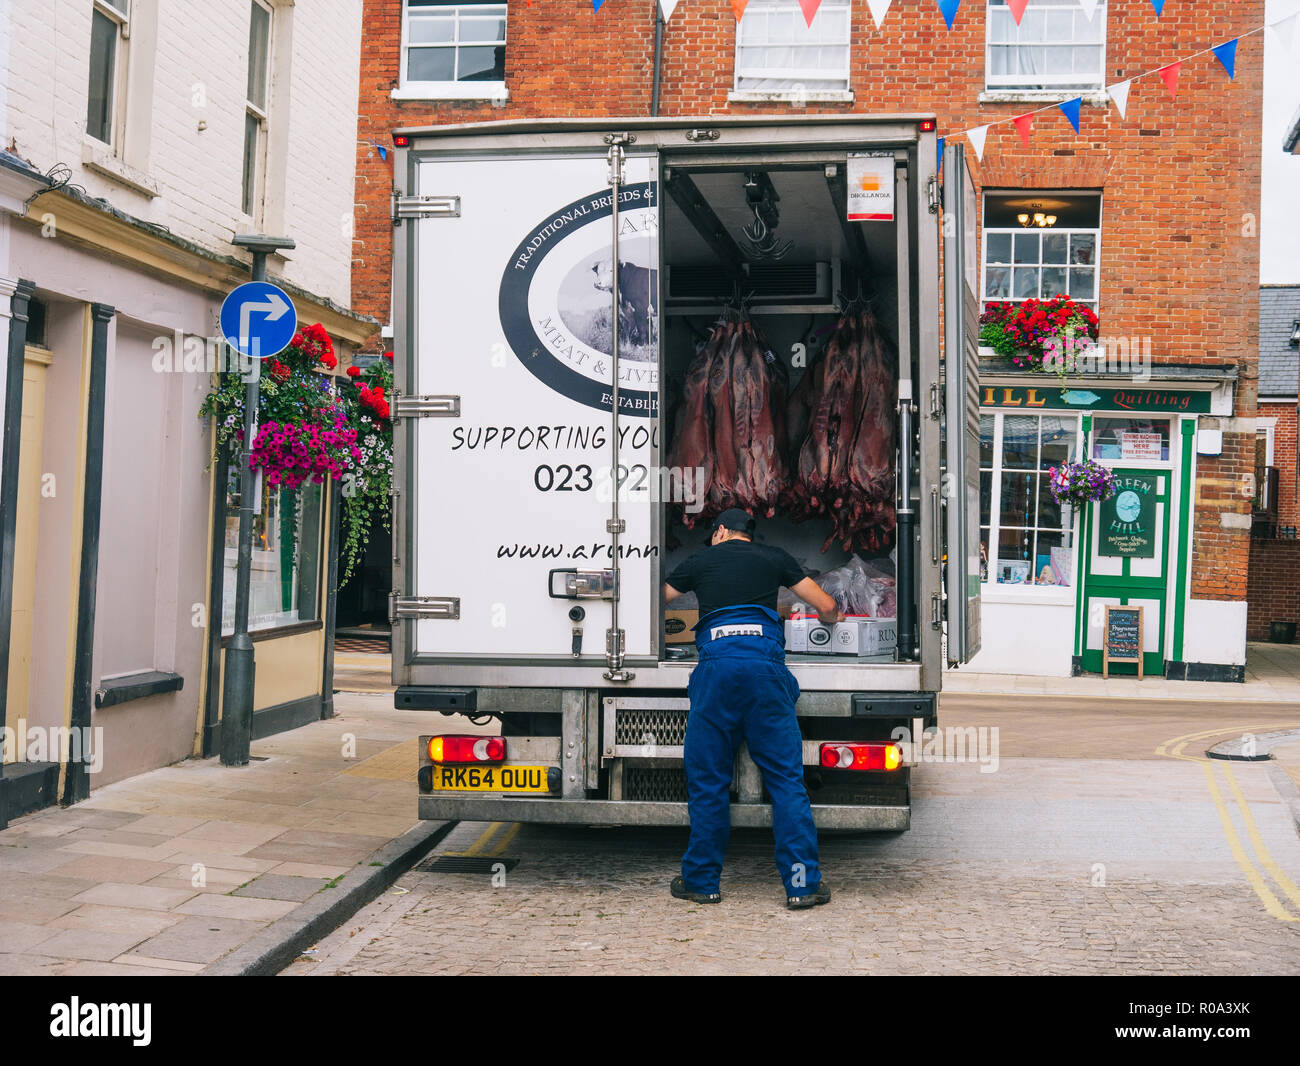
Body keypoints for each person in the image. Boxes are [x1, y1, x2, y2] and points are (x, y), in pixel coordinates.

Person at [662, 508, 843, 910]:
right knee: (785, 781)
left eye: (713, 533)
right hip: (765, 673)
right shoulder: (775, 557)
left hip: (717, 672)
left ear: (722, 531)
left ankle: (702, 883)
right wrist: (833, 619)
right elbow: (826, 605)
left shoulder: (701, 561)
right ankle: (801, 886)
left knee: (708, 781)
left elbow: (657, 599)